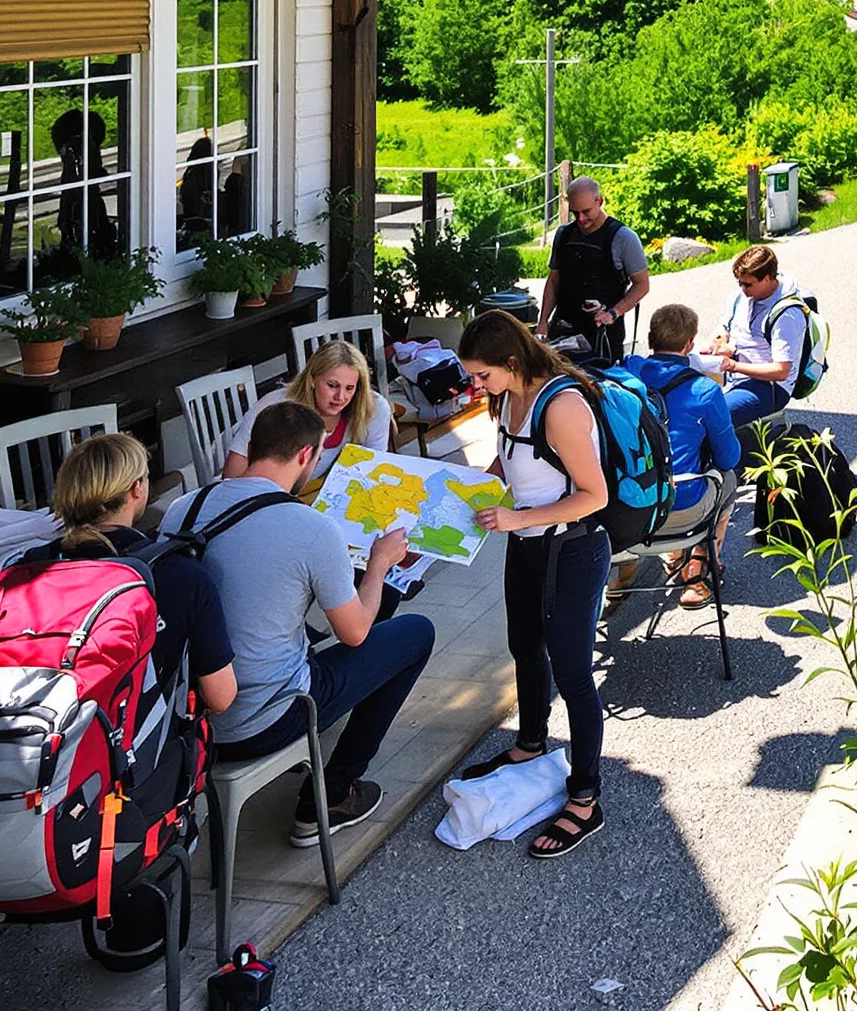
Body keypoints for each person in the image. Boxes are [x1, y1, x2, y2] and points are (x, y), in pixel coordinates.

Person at [162, 400, 434, 846]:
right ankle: (332, 795)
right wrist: (381, 562)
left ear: (251, 446)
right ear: (308, 455)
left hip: (190, 720)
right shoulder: (311, 527)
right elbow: (356, 632)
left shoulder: (184, 509)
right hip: (264, 719)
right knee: (416, 633)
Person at [48, 433, 237, 963]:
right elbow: (221, 697)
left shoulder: (22, 569)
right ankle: (141, 900)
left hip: (28, 786)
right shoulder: (177, 572)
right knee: (188, 734)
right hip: (123, 790)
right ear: (138, 489)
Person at [455, 309, 610, 860]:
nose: (476, 387)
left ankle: (586, 797)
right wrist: (478, 484)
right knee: (525, 647)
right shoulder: (506, 398)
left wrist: (517, 519)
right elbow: (513, 457)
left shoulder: (562, 406)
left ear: (513, 363)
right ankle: (531, 742)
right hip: (527, 544)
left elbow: (596, 495)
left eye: (483, 376)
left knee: (572, 671)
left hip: (572, 548)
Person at [621, 301, 741, 608]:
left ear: (651, 338)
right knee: (728, 477)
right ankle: (694, 573)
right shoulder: (703, 389)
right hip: (681, 507)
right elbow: (729, 456)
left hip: (628, 509)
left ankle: (624, 578)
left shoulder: (625, 375)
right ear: (689, 344)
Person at [220, 339, 391, 482]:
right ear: (312, 379)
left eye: (350, 388)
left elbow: (373, 474)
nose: (340, 397)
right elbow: (231, 478)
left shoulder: (373, 408)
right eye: (332, 385)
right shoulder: (275, 408)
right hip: (258, 495)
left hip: (310, 494)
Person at [539, 177, 651, 365]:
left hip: (603, 335)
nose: (581, 219)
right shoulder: (564, 235)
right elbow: (554, 281)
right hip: (564, 330)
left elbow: (642, 285)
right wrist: (543, 322)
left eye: (586, 211)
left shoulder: (624, 238)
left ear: (599, 201)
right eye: (575, 213)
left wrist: (614, 313)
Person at [698, 244, 807, 429]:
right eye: (739, 283)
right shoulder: (742, 296)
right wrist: (718, 341)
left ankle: (727, 457)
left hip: (769, 387)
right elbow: (725, 327)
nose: (742, 289)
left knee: (710, 418)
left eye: (747, 284)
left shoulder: (787, 315)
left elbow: (781, 371)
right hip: (734, 372)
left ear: (766, 278)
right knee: (683, 405)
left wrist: (734, 366)